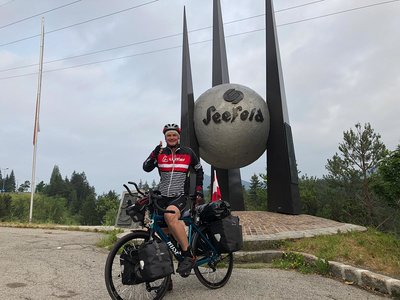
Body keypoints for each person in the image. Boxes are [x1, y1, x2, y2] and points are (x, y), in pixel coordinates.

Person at [143, 123, 204, 278]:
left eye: (174, 135)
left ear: (178, 137)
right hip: (162, 196)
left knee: (170, 216)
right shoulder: (160, 153)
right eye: (168, 135)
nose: (171, 137)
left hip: (180, 196)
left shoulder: (188, 153)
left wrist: (198, 191)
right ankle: (166, 278)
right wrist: (154, 153)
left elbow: (199, 170)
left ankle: (187, 254)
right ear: (165, 137)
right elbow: (146, 167)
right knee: (163, 238)